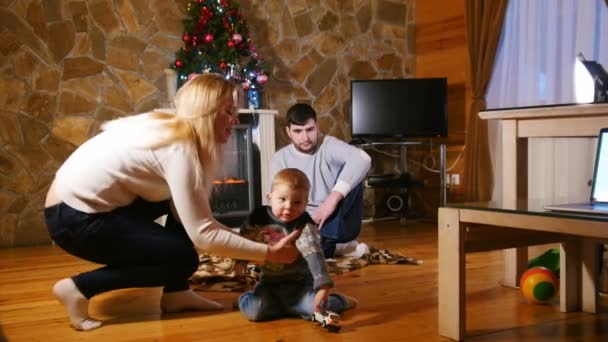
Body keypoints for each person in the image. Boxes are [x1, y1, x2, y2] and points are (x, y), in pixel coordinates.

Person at [43, 73, 301, 331]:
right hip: (74, 220)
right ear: (206, 111)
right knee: (183, 259)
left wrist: (251, 246)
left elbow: (196, 217)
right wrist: (267, 254)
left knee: (183, 213)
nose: (236, 120)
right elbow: (203, 234)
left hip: (81, 208)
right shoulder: (179, 149)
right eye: (228, 111)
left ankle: (176, 293)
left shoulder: (172, 127)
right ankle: (78, 288)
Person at [237, 168, 357, 322]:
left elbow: (314, 255)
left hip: (300, 285)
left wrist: (324, 286)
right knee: (254, 312)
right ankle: (250, 299)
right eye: (282, 199)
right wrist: (240, 258)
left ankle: (340, 300)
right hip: (269, 284)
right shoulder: (258, 217)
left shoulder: (304, 225)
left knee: (317, 308)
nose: (288, 207)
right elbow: (245, 237)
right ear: (270, 197)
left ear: (306, 204)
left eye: (297, 202)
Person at [270, 103, 372, 258]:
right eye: (298, 131)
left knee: (355, 175)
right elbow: (277, 206)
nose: (305, 137)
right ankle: (339, 247)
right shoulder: (279, 159)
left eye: (310, 129)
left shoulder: (329, 144)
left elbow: (363, 158)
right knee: (291, 249)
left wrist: (330, 203)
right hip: (305, 224)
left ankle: (326, 243)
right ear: (288, 132)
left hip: (339, 220)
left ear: (317, 126)